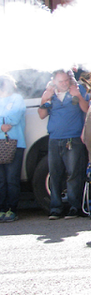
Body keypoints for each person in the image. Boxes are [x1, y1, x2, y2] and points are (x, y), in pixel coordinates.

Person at [38, 69, 89, 219]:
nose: (64, 83)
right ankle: (55, 208)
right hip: (54, 138)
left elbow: (87, 109)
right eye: (61, 81)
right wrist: (44, 99)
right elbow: (42, 115)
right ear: (54, 81)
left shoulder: (78, 89)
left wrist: (78, 95)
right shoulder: (50, 92)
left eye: (66, 80)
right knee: (55, 174)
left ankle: (75, 207)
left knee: (74, 174)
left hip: (73, 138)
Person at [0, 74, 26, 222]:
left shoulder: (17, 99)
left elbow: (14, 118)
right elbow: (6, 121)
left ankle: (12, 209)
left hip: (15, 143)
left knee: (11, 178)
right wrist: (2, 124)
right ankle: (1, 209)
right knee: (1, 180)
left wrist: (4, 121)